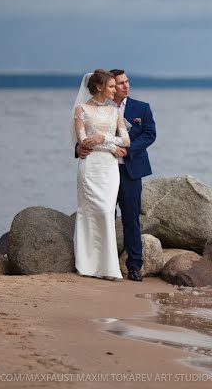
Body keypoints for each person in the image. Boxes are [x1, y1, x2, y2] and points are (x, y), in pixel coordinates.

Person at [76, 69, 156, 281]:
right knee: (104, 214)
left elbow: (150, 135)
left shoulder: (142, 108)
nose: (125, 86)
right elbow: (85, 134)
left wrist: (126, 149)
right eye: (120, 83)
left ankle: (134, 266)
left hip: (130, 170)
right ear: (107, 85)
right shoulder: (90, 108)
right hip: (101, 169)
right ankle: (102, 263)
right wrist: (78, 148)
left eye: (126, 82)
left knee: (131, 218)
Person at [71, 69, 130, 280]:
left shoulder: (115, 112)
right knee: (88, 212)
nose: (115, 90)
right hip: (90, 167)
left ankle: (108, 267)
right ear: (99, 87)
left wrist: (102, 138)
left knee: (106, 212)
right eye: (112, 86)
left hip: (109, 169)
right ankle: (87, 265)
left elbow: (125, 141)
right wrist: (107, 143)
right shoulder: (81, 110)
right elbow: (84, 141)